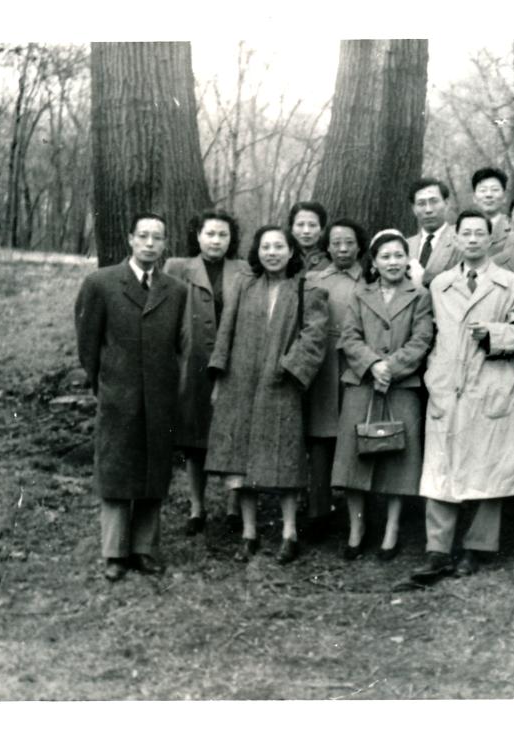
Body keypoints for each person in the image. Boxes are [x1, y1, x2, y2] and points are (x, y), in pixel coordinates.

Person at [413, 209, 514, 581]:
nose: (471, 240)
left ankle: (476, 549)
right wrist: (435, 374)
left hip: (490, 384)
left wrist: (495, 334)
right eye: (465, 233)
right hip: (448, 388)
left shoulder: (510, 284)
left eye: (479, 233)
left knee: (488, 469)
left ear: (490, 239)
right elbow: (428, 333)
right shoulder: (440, 285)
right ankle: (437, 550)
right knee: (440, 469)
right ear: (456, 239)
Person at [205, 225, 329, 564]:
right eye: (265, 247)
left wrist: (287, 368)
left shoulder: (307, 289)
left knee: (285, 457)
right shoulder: (244, 286)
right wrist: (220, 379)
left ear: (291, 252)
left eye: (278, 247)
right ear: (257, 252)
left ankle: (289, 532)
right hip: (240, 384)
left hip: (282, 385)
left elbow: (315, 337)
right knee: (241, 459)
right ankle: (249, 532)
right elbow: (225, 333)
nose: (271, 253)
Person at [74, 212, 188, 582]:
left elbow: (180, 347)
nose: (150, 244)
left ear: (165, 243)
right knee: (117, 470)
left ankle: (143, 548)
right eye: (143, 236)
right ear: (130, 239)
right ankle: (115, 552)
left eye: (157, 237)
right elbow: (87, 345)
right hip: (117, 395)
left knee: (154, 469)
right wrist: (106, 385)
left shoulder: (176, 290)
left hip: (160, 398)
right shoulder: (101, 283)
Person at [331, 230, 435, 560]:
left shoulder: (420, 295)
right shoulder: (361, 294)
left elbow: (422, 339)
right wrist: (372, 364)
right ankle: (357, 528)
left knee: (398, 461)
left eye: (398, 255)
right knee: (354, 458)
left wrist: (391, 367)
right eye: (385, 257)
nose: (393, 262)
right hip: (362, 383)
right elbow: (350, 337)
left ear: (407, 260)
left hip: (402, 386)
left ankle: (391, 529)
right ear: (374, 263)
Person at [164, 210, 250, 536]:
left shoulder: (244, 270)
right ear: (198, 235)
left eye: (223, 235)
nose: (216, 241)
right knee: (194, 437)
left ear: (231, 239)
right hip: (193, 362)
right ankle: (197, 507)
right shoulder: (177, 268)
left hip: (234, 363)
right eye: (210, 234)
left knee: (234, 435)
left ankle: (233, 505)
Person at [304, 218, 369, 542]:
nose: (343, 249)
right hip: (322, 363)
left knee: (358, 435)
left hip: (356, 363)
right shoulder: (313, 279)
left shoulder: (369, 280)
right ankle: (318, 511)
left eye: (349, 243)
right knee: (320, 437)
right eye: (336, 243)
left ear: (359, 246)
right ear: (327, 247)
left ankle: (359, 516)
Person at [405, 177, 462, 288]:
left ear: (446, 203)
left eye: (434, 202)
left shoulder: (460, 240)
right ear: (414, 209)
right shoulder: (405, 246)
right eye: (421, 204)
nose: (428, 210)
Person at [471, 166, 512, 250]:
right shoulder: (461, 231)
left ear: (505, 196)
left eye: (495, 190)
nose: (488, 195)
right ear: (474, 198)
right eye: (483, 190)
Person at [288, 201, 330, 273]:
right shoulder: (283, 259)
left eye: (312, 225)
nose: (306, 231)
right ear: (291, 229)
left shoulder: (332, 259)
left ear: (322, 230)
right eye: (300, 224)